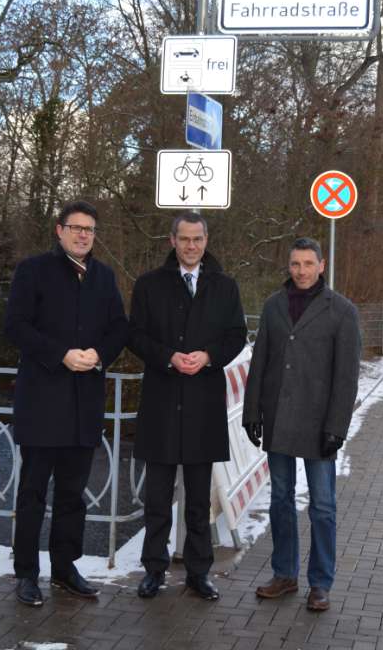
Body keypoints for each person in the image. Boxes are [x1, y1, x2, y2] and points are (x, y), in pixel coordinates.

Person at [4, 201, 128, 607]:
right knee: (33, 492)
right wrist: (61, 354)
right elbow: (16, 326)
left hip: (84, 403)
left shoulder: (103, 277)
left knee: (74, 495)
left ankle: (64, 568)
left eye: (89, 229)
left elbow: (118, 328)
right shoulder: (33, 270)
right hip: (42, 401)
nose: (82, 235)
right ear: (59, 230)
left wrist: (98, 355)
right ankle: (26, 572)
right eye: (75, 227)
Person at [128, 211, 246, 601]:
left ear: (206, 241)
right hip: (161, 403)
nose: (191, 246)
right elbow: (136, 335)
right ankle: (154, 570)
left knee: (198, 500)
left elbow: (236, 336)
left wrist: (209, 356)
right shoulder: (149, 285)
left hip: (203, 404)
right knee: (157, 499)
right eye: (184, 239)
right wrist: (168, 357)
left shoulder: (225, 287)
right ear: (172, 241)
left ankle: (199, 572)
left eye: (197, 239)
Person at [242, 237, 361, 612]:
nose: (302, 271)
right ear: (288, 266)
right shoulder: (274, 305)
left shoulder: (342, 311)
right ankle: (284, 574)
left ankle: (320, 583)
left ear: (321, 265)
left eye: (309, 264)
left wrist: (337, 427)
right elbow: (259, 361)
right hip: (278, 420)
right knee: (280, 500)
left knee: (323, 506)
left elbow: (347, 377)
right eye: (295, 264)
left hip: (319, 425)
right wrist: (251, 412)